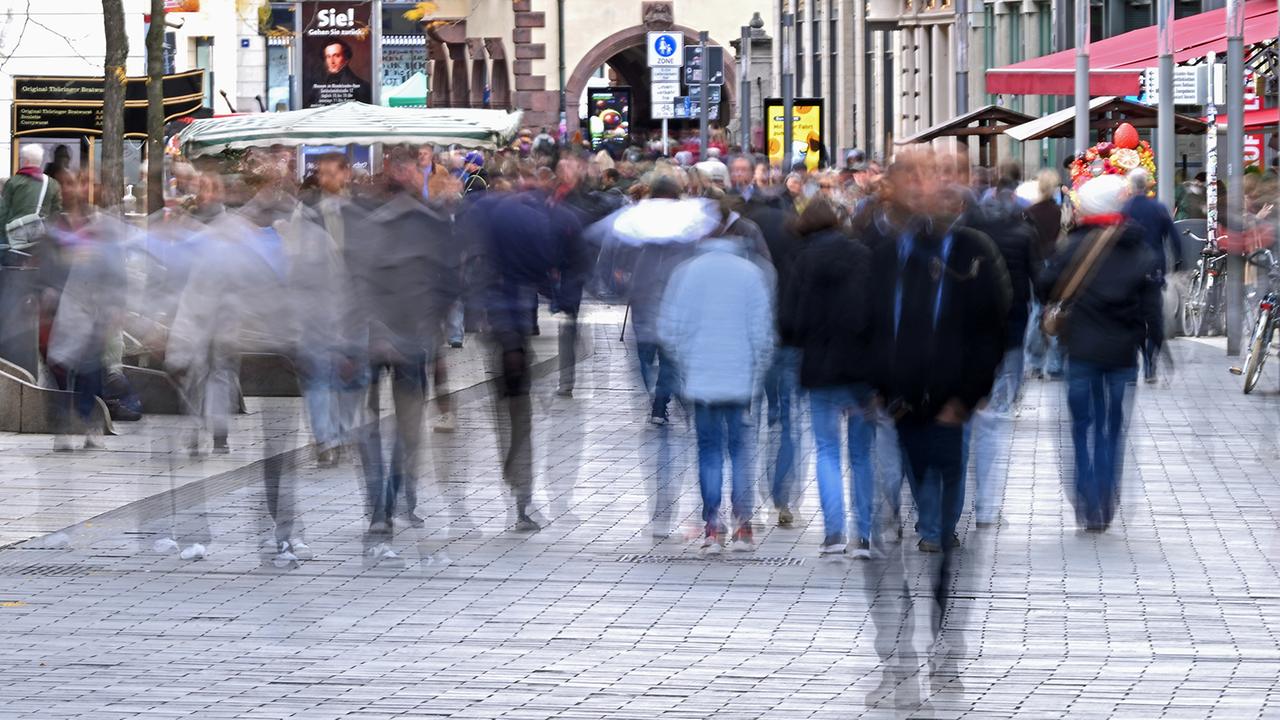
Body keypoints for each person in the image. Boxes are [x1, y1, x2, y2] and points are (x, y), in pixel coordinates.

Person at [866, 152, 1010, 554]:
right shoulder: (894, 252)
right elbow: (876, 318)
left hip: (953, 381)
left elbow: (990, 324)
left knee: (950, 454)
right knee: (916, 459)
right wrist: (878, 381)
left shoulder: (974, 251)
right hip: (904, 383)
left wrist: (973, 390)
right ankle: (932, 521)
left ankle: (938, 526)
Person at [1038, 174, 1160, 532]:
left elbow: (1045, 287)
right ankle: (1105, 500)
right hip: (1122, 354)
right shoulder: (1139, 249)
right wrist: (1153, 347)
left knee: (1080, 427)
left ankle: (1085, 497)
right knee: (1111, 428)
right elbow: (1151, 307)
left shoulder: (1071, 247)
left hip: (1080, 352)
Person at [659, 233, 775, 552]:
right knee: (739, 451)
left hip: (701, 380)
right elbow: (762, 333)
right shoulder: (750, 274)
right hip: (739, 380)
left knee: (708, 451)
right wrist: (757, 372)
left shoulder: (687, 272)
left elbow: (670, 328)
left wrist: (686, 363)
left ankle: (712, 526)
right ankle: (743, 526)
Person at [780, 198, 876, 557]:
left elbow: (790, 319)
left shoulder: (803, 260)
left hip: (819, 369)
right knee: (862, 455)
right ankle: (863, 536)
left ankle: (833, 534)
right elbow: (875, 312)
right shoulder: (863, 256)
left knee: (826, 450)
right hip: (860, 370)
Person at [1122, 168, 1177, 383]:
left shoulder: (1124, 209)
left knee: (1135, 319)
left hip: (1129, 273)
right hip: (1154, 272)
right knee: (1154, 319)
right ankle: (1150, 364)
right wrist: (1177, 263)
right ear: (1147, 186)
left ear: (1131, 187)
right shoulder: (1158, 208)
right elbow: (1174, 237)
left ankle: (1141, 356)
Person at [1, 144, 63, 258]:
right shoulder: (53, 184)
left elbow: (4, 212)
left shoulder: (13, 182)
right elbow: (56, 213)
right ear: (40, 161)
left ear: (25, 161)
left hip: (15, 241)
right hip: (41, 240)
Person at [307, 39, 371, 106]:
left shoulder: (362, 87)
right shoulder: (317, 86)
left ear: (346, 58)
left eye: (336, 56)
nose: (332, 61)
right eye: (328, 56)